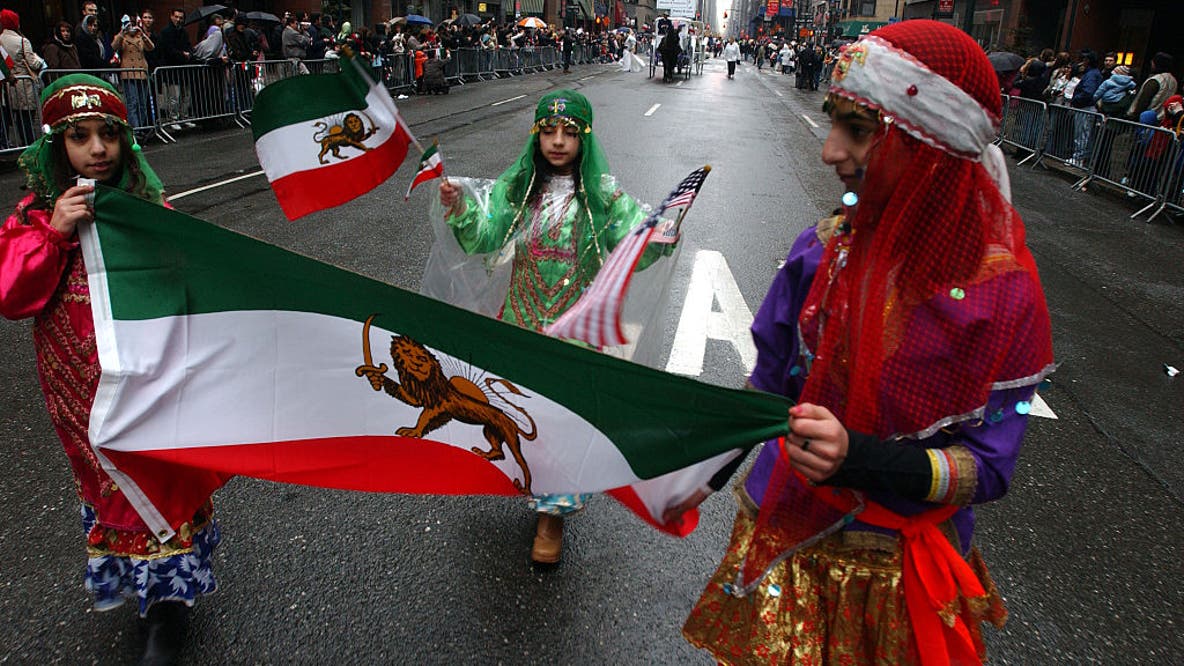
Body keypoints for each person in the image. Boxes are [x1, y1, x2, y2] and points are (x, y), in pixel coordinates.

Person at [681, 20, 1054, 664]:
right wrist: (686, 474)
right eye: (832, 123)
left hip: (897, 572)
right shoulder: (820, 250)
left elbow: (987, 465)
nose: (829, 151)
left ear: (929, 148)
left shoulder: (1004, 295)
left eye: (857, 130)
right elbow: (767, 387)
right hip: (788, 547)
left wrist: (861, 458)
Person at [0, 73, 221, 666]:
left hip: (153, 379)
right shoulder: (33, 216)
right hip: (79, 388)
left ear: (126, 143)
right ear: (57, 146)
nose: (97, 150)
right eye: (79, 137)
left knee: (160, 476)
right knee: (109, 482)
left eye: (108, 136)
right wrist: (55, 231)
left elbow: (193, 281)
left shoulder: (150, 208)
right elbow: (12, 296)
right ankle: (139, 588)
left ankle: (167, 609)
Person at [429, 90, 672, 564]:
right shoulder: (517, 191)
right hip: (521, 322)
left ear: (584, 139)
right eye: (548, 131)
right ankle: (529, 483)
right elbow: (487, 235)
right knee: (520, 414)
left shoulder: (606, 199)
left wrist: (662, 233)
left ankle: (552, 518)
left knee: (564, 420)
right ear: (536, 135)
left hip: (575, 331)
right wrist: (460, 205)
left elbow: (635, 244)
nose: (558, 141)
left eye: (569, 133)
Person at [0, 9, 46, 146]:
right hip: (23, 84)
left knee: (9, 118)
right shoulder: (22, 41)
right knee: (26, 119)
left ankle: (10, 145)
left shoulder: (1, 39)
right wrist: (41, 62)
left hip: (7, 87)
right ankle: (30, 146)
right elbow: (32, 62)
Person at [111, 14, 154, 133]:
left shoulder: (140, 36)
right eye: (129, 24)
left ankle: (142, 127)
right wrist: (122, 32)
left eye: (133, 24)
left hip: (142, 73)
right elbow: (113, 46)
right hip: (129, 74)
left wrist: (143, 34)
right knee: (132, 102)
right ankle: (135, 130)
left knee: (142, 104)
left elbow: (151, 47)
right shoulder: (122, 37)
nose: (131, 27)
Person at [1127, 52, 1177, 121]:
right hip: (1160, 118)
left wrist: (1134, 116)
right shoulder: (1173, 80)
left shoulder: (1156, 80)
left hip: (1145, 118)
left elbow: (1144, 101)